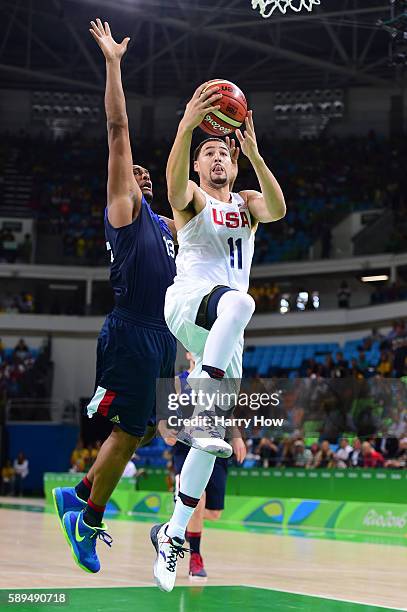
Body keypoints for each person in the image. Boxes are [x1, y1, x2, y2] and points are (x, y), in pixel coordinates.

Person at [52, 19, 177, 574]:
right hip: (130, 329)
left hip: (162, 335)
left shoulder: (172, 230)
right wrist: (113, 64)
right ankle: (89, 516)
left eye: (149, 176)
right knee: (128, 431)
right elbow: (118, 127)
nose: (141, 176)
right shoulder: (124, 215)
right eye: (134, 174)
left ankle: (77, 495)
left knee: (141, 430)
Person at [151, 83, 286, 592]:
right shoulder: (192, 199)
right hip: (189, 303)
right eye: (209, 153)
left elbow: (278, 209)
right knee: (242, 301)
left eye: (223, 153)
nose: (217, 159)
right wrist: (188, 126)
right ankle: (203, 399)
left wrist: (252, 151)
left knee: (208, 449)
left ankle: (172, 533)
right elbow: (172, 184)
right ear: (199, 163)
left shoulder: (248, 203)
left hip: (225, 334)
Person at [164, 352, 246, 580]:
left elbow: (227, 412)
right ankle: (195, 557)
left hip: (217, 443)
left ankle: (183, 519)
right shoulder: (180, 381)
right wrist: (166, 428)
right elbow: (168, 413)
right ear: (190, 353)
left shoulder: (218, 378)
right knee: (197, 500)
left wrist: (237, 437)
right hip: (188, 445)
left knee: (214, 513)